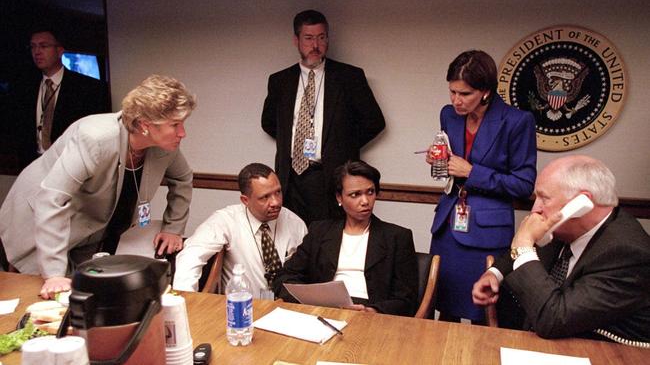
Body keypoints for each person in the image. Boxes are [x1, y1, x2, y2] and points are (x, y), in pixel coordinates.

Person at [0, 74, 195, 299]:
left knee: (86, 297)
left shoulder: (164, 146)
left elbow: (183, 179)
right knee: (41, 298)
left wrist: (173, 228)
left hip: (88, 229)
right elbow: (52, 199)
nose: (183, 133)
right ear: (144, 124)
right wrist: (53, 274)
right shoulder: (95, 137)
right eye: (175, 125)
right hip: (39, 222)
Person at [472, 155, 650, 343]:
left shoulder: (627, 254)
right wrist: (494, 273)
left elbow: (553, 319)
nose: (535, 209)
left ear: (582, 204)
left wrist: (523, 244)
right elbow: (526, 252)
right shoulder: (563, 231)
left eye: (544, 198)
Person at [425, 50, 537, 322]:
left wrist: (473, 172)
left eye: (465, 94)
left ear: (485, 91)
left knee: (482, 314)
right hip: (448, 226)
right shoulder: (448, 115)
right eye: (452, 92)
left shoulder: (517, 121)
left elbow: (523, 184)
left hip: (487, 233)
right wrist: (438, 160)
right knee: (442, 310)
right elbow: (450, 166)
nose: (456, 101)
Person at [261, 9, 385, 225]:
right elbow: (269, 123)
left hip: (329, 176)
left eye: (321, 37)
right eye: (308, 38)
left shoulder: (349, 77)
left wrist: (340, 144)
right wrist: (294, 144)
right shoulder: (280, 80)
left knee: (328, 242)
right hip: (290, 179)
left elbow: (374, 122)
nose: (315, 45)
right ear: (296, 40)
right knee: (291, 242)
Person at [274, 160, 418, 316]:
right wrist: (312, 300)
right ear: (339, 198)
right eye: (355, 194)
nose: (365, 201)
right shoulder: (320, 231)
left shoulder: (397, 237)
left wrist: (372, 310)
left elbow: (407, 299)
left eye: (370, 192)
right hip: (325, 310)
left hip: (372, 314)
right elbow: (285, 277)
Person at [173, 163, 307, 296]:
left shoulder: (295, 223)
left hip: (287, 308)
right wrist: (186, 303)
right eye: (265, 197)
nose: (276, 202)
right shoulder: (227, 220)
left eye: (278, 192)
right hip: (243, 306)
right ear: (245, 200)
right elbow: (191, 257)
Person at [10, 27, 109, 168]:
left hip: (71, 167)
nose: (37, 52)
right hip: (32, 166)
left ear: (60, 50)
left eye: (44, 46)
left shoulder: (87, 88)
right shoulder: (23, 87)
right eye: (33, 47)